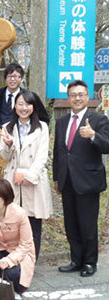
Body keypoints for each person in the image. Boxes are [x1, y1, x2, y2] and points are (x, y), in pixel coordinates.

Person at [53, 80, 109, 277]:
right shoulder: (61, 122)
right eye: (73, 95)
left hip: (88, 181)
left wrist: (94, 135)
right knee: (71, 224)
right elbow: (59, 152)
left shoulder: (98, 120)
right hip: (67, 181)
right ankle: (76, 260)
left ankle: (89, 263)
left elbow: (107, 146)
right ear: (68, 98)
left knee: (87, 225)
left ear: (87, 97)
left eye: (81, 94)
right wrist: (57, 178)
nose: (77, 98)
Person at [0, 90, 52, 260]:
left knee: (33, 224)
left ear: (34, 106)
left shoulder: (42, 127)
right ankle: (14, 260)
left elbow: (42, 155)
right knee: (13, 223)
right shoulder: (7, 127)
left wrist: (29, 176)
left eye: (28, 104)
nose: (24, 108)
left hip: (33, 181)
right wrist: (8, 145)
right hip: (13, 182)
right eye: (20, 104)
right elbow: (4, 157)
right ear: (15, 106)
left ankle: (30, 262)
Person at [0, 63, 49, 127]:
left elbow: (44, 119)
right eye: (10, 76)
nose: (12, 79)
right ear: (5, 78)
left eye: (16, 76)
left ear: (21, 79)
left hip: (22, 136)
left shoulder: (30, 96)